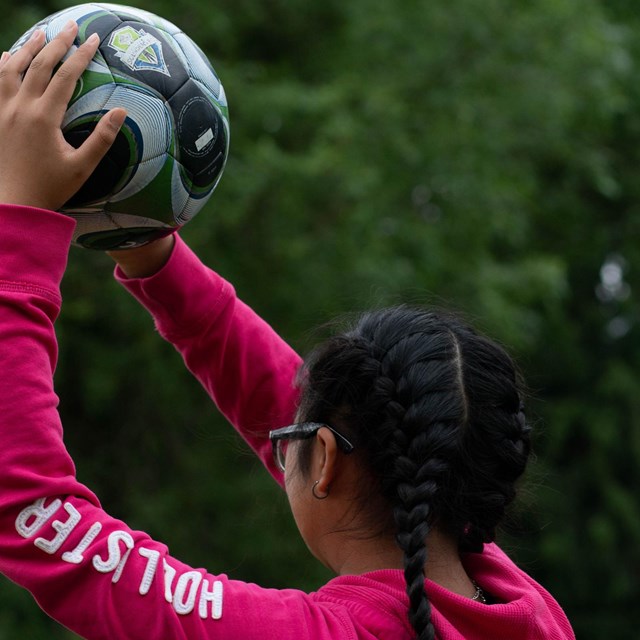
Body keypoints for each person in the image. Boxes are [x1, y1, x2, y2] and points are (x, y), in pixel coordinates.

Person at [0, 23, 575, 640]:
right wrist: (151, 246)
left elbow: (36, 514)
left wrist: (18, 227)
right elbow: (309, 413)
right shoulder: (520, 609)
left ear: (324, 460)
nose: (282, 428)